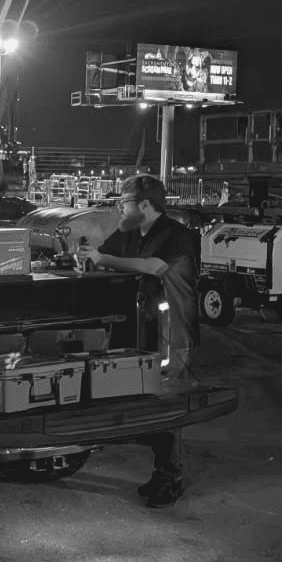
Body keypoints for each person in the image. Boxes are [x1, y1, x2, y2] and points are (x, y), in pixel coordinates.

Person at [77, 174, 200, 508]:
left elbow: (154, 267)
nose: (121, 208)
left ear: (144, 204)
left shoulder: (179, 236)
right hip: (140, 332)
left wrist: (105, 260)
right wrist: (88, 258)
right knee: (141, 403)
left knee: (168, 408)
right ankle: (161, 472)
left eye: (125, 203)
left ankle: (169, 479)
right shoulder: (129, 232)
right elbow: (105, 256)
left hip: (173, 336)